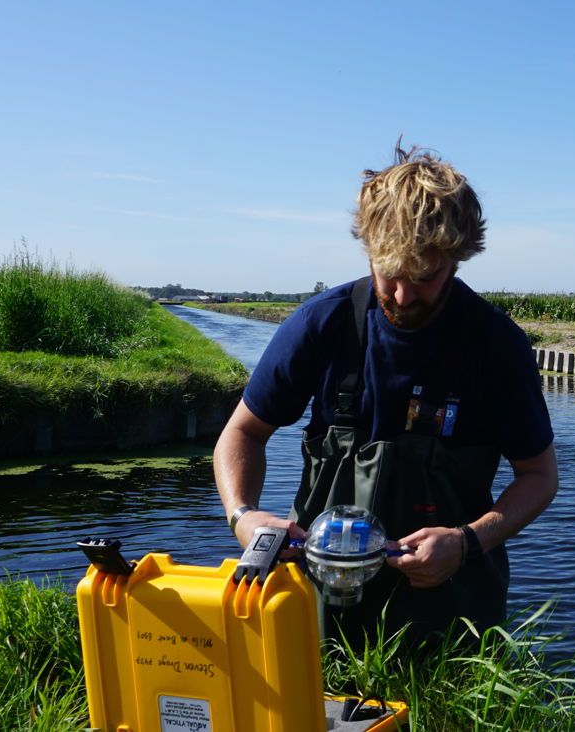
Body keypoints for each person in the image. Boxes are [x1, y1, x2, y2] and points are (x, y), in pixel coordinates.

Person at [213, 143, 557, 647]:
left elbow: (539, 476)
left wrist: (466, 543)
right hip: (319, 604)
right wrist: (243, 516)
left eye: (424, 277)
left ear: (458, 257)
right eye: (389, 273)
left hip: (451, 611)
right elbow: (242, 433)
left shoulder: (495, 344)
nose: (402, 295)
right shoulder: (322, 324)